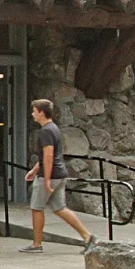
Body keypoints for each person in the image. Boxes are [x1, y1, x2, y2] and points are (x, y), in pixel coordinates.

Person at [21, 98, 97, 252]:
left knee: (36, 207)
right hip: (60, 174)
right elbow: (48, 155)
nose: (32, 114)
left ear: (42, 113)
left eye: (34, 111)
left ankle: (37, 244)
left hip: (50, 175)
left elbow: (48, 156)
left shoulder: (45, 131)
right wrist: (34, 170)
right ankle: (87, 236)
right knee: (60, 208)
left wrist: (46, 179)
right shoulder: (54, 128)